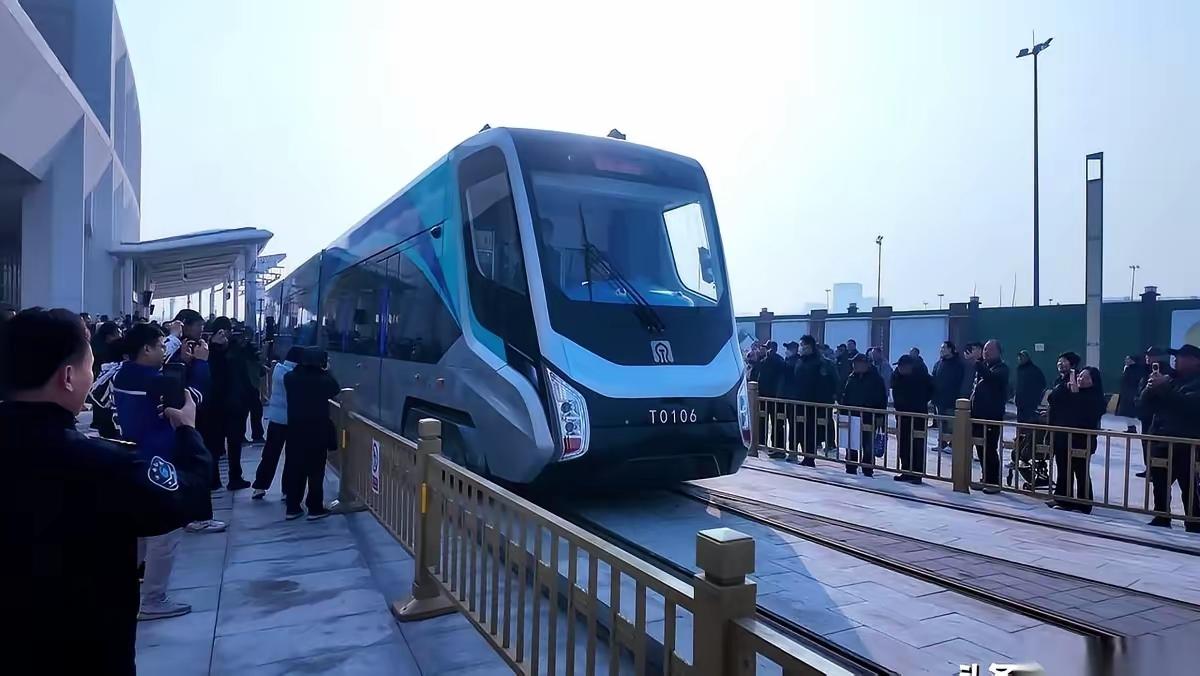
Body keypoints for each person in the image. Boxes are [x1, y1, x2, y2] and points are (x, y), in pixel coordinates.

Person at [1, 307, 212, 675]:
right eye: (89, 366)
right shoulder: (99, 465)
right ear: (68, 377)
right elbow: (187, 494)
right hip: (81, 653)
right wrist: (188, 430)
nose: (93, 375)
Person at [112, 323, 212, 619]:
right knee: (164, 535)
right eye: (159, 346)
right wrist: (201, 365)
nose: (163, 351)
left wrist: (181, 363)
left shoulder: (123, 374)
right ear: (146, 349)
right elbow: (194, 399)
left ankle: (117, 592)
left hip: (133, 458)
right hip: (159, 465)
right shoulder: (153, 381)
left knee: (139, 535)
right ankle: (153, 599)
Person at [1140, 344, 1200, 531]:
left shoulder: (1196, 382)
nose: (1176, 360)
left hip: (1186, 442)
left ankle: (1193, 521)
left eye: (1181, 356)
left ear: (1194, 361)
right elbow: (1143, 407)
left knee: (1189, 484)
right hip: (1162, 440)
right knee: (1159, 481)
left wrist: (1164, 388)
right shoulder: (1170, 379)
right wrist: (1150, 388)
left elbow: (1187, 406)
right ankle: (1161, 515)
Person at [284, 347, 341, 520]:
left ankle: (292, 507)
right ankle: (315, 507)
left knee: (296, 469)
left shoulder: (290, 378)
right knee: (316, 471)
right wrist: (327, 370)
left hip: (295, 430)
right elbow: (335, 388)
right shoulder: (323, 380)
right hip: (317, 430)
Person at [1045, 358, 1104, 513]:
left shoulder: (1096, 398)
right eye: (1079, 376)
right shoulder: (1070, 390)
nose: (1080, 379)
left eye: (1085, 377)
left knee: (1081, 471)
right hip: (1063, 438)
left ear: (1093, 381)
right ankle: (1063, 499)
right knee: (1063, 470)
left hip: (1082, 441)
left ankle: (1084, 504)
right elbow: (1052, 398)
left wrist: (1076, 395)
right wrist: (1066, 386)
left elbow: (1085, 414)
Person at [252, 347, 304, 499]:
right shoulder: (295, 375)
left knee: (270, 454)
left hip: (276, 420)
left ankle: (260, 486)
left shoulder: (278, 370)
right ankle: (287, 489)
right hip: (292, 420)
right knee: (292, 456)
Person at [793, 334, 840, 466]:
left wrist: (831, 397)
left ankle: (810, 457)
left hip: (816, 402)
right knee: (802, 430)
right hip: (801, 401)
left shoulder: (822, 363)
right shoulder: (800, 362)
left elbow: (834, 381)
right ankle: (806, 455)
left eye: (803, 346)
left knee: (812, 431)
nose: (801, 348)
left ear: (810, 347)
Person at [970, 339, 1009, 493]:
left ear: (999, 352)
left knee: (990, 448)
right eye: (985, 349)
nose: (986, 352)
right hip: (978, 415)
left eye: (990, 350)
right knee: (980, 447)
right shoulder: (985, 367)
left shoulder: (1002, 369)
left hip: (991, 416)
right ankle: (985, 478)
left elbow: (991, 379)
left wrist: (977, 362)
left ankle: (993, 482)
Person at [839, 353, 885, 477]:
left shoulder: (876, 379)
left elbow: (882, 399)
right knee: (851, 443)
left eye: (857, 363)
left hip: (869, 416)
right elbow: (845, 395)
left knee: (868, 444)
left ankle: (867, 468)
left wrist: (880, 415)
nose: (854, 366)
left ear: (865, 364)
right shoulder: (851, 378)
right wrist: (843, 411)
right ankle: (851, 466)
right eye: (853, 363)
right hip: (852, 416)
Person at [892, 354, 933, 483]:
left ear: (910, 366)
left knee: (917, 444)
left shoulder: (921, 376)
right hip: (902, 415)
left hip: (918, 415)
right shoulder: (897, 376)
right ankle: (906, 470)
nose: (900, 369)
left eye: (902, 367)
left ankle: (917, 473)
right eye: (899, 366)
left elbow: (932, 389)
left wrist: (921, 402)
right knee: (903, 444)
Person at [88, 321, 124, 438]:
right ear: (109, 336)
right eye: (118, 333)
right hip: (103, 385)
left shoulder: (95, 347)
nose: (121, 336)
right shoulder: (109, 352)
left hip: (98, 387)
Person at [931, 341, 965, 452]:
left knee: (952, 424)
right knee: (941, 423)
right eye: (941, 348)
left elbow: (959, 382)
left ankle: (952, 445)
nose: (941, 350)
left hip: (952, 400)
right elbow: (934, 378)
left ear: (950, 349)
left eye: (944, 348)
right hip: (939, 399)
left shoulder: (957, 364)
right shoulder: (939, 363)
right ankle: (942, 443)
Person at [1015, 350, 1047, 423]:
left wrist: (1035, 396)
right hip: (1020, 403)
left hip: (1030, 403)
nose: (1020, 358)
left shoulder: (1035, 370)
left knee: (1029, 423)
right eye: (1019, 357)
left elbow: (1042, 384)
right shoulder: (1019, 369)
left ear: (1027, 358)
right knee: (1020, 423)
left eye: (1022, 356)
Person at [1116, 353, 1147, 430]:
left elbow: (1130, 380)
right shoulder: (1129, 368)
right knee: (1127, 413)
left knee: (1129, 412)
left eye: (1128, 359)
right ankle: (1130, 427)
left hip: (1130, 394)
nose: (1126, 360)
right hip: (1127, 394)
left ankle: (1132, 428)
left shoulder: (1132, 369)